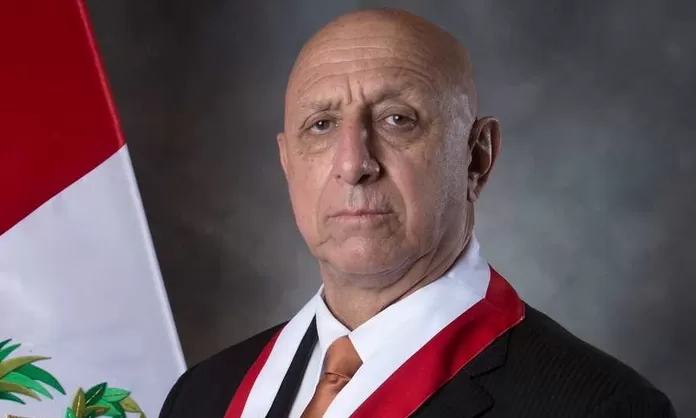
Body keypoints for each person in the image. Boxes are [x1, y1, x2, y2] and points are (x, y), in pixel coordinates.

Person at [159, 8, 675, 418]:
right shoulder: (201, 396)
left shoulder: (599, 407)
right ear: (287, 162)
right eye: (321, 125)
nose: (354, 164)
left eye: (397, 119)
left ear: (476, 157)